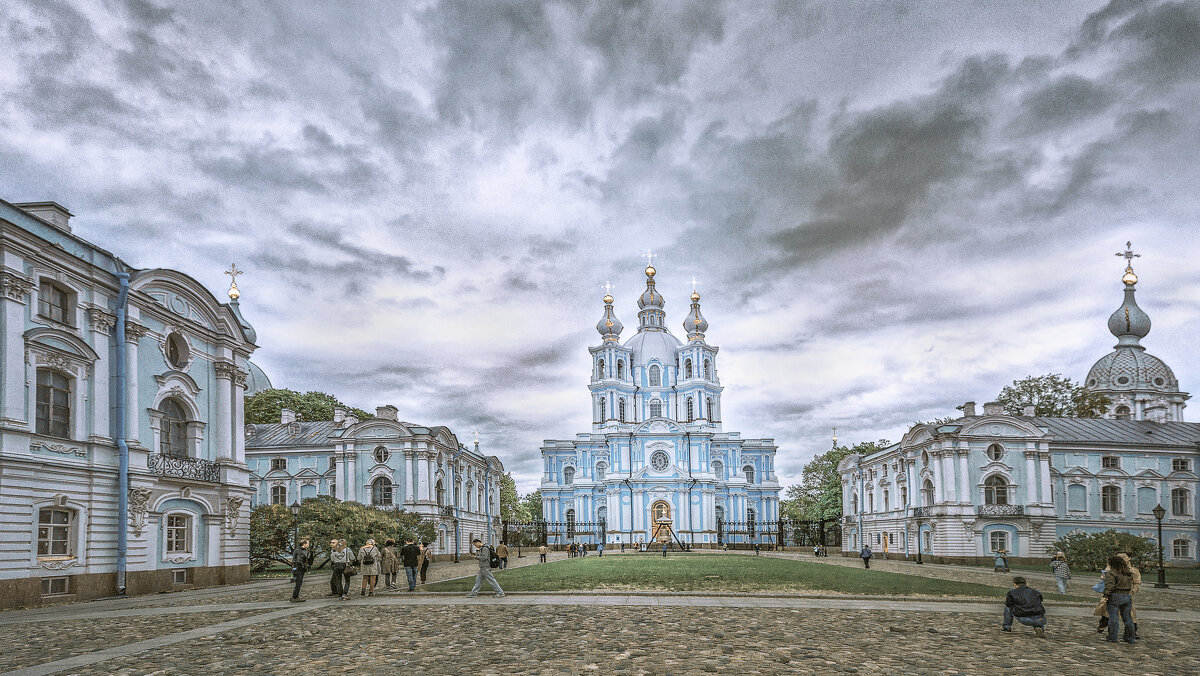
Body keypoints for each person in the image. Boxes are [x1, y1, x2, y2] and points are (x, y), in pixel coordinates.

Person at [1102, 554, 1136, 644]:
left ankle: (1112, 637)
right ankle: (1130, 637)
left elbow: (1110, 586)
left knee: (1113, 617)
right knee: (1127, 618)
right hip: (1127, 596)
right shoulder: (1127, 573)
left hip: (1115, 595)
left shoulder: (1112, 573)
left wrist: (1105, 596)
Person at [290, 538, 314, 602]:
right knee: (298, 583)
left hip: (297, 568)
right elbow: (299, 561)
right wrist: (305, 567)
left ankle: (295, 596)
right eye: (308, 543)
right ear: (304, 544)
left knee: (299, 583)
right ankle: (295, 597)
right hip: (299, 569)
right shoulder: (300, 551)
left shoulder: (300, 550)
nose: (309, 545)